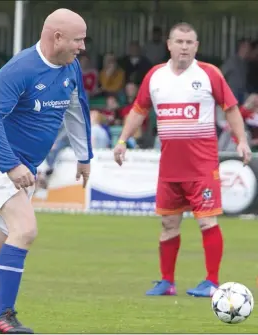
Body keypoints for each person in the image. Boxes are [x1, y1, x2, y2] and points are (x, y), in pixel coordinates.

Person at [114, 22, 252, 298]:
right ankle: (167, 282)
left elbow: (231, 108)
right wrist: (121, 140)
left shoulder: (209, 74)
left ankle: (212, 281)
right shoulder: (155, 76)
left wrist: (242, 141)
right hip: (169, 168)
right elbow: (139, 110)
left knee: (207, 223)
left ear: (196, 46)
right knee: (168, 225)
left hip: (202, 168)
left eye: (190, 42)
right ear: (169, 44)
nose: (185, 47)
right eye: (179, 41)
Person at [0, 8, 93, 334]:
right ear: (57, 37)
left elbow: (77, 108)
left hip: (23, 167)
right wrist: (11, 166)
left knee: (0, 243)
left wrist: (84, 156)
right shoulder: (19, 69)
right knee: (25, 229)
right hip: (1, 162)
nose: (82, 46)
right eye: (78, 40)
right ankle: (3, 317)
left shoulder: (71, 67)